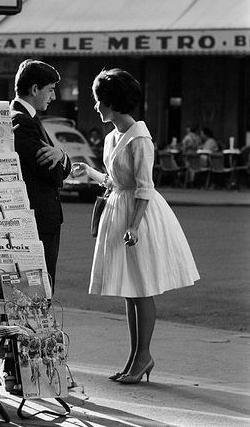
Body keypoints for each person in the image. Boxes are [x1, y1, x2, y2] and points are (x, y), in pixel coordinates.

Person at [72, 68, 200, 384]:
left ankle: (143, 357)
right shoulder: (113, 136)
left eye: (98, 100)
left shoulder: (140, 139)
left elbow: (144, 187)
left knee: (141, 288)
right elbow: (116, 181)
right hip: (121, 207)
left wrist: (135, 225)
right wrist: (89, 172)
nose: (95, 106)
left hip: (137, 215)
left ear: (112, 102)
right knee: (130, 290)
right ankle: (135, 358)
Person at [10, 59, 72, 293]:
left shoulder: (27, 118)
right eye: (50, 89)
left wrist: (62, 156)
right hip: (38, 219)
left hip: (41, 218)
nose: (53, 97)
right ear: (34, 89)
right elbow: (53, 171)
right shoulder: (21, 120)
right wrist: (61, 160)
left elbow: (59, 164)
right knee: (39, 288)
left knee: (39, 286)